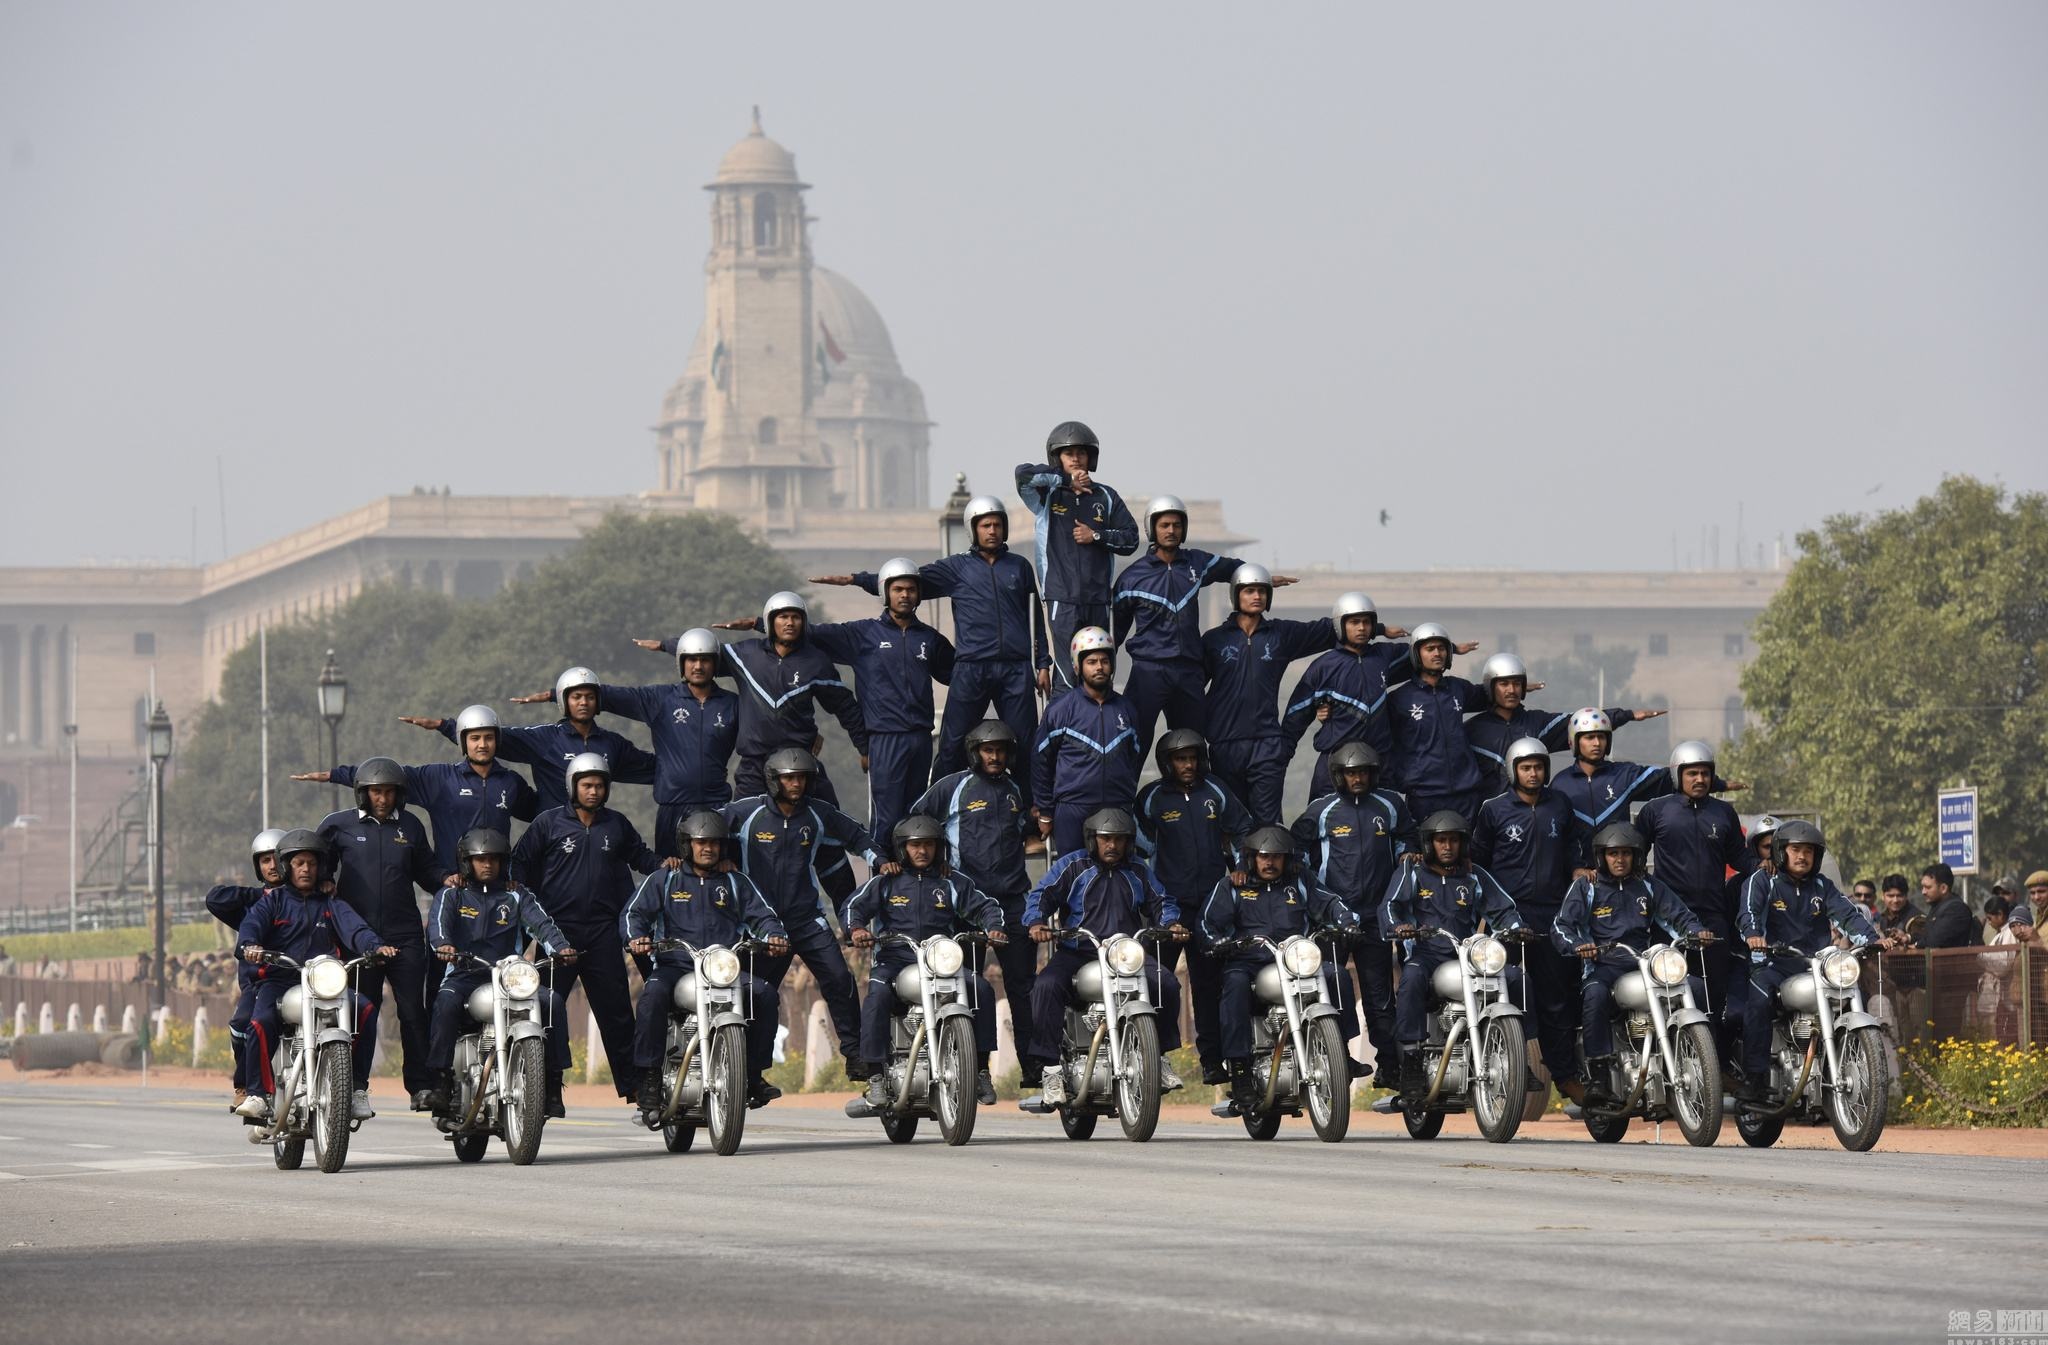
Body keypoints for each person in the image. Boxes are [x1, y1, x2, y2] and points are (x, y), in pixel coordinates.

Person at [811, 494, 1049, 811]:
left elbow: (1034, 618)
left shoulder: (1019, 568)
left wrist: (1043, 662)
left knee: (1023, 744)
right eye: (985, 525)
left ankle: (1029, 816)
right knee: (952, 745)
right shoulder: (957, 569)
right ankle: (933, 815)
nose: (992, 531)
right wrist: (859, 580)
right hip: (971, 668)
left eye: (996, 525)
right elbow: (906, 582)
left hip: (1016, 669)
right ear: (973, 530)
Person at [509, 752, 670, 1106]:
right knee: (546, 1010)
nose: (594, 791)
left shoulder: (617, 824)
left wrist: (664, 865)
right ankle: (549, 1086)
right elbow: (519, 863)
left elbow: (641, 856)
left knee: (617, 1014)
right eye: (587, 785)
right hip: (556, 935)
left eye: (599, 785)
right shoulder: (547, 824)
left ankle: (636, 1088)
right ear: (573, 786)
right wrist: (518, 896)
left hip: (603, 933)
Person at [721, 746, 887, 1080]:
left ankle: (855, 1056)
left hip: (807, 920)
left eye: (801, 778)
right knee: (758, 997)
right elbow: (702, 828)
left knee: (841, 979)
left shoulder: (817, 814)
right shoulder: (745, 812)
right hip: (761, 925)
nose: (796, 784)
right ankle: (751, 1077)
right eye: (789, 778)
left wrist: (880, 861)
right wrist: (709, 859)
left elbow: (856, 836)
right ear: (773, 780)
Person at [512, 632, 741, 859]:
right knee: (671, 877)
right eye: (691, 659)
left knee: (720, 875)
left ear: (716, 663)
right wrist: (557, 694)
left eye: (705, 660)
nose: (698, 666)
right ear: (681, 663)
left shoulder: (733, 704)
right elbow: (611, 695)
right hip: (673, 807)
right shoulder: (661, 699)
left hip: (717, 805)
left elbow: (757, 742)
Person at [623, 811, 790, 1112]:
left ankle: (753, 1074)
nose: (708, 848)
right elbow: (633, 914)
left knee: (765, 995)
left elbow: (763, 916)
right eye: (701, 842)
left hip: (722, 968)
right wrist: (636, 937)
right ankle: (648, 1076)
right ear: (687, 845)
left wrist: (774, 937)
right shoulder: (665, 879)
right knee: (653, 995)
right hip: (676, 966)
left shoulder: (735, 881)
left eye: (714, 842)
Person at [639, 591, 867, 810]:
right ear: (770, 622)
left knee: (829, 818)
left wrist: (864, 749)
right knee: (741, 826)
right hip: (754, 764)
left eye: (796, 617)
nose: (790, 623)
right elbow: (704, 651)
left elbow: (845, 707)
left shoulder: (817, 662)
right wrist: (664, 645)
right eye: (783, 617)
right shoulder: (746, 654)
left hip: (799, 760)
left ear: (804, 622)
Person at [1020, 808, 1190, 1099]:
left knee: (1167, 983)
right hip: (1079, 950)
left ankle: (1158, 1057)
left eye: (1119, 840)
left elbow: (1161, 900)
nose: (1112, 845)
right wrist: (1036, 922)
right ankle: (1050, 1070)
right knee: (1045, 986)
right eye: (1105, 839)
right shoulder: (1072, 866)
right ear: (1092, 840)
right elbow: (1042, 894)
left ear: (1128, 842)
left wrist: (1171, 923)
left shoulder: (1138, 870)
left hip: (1125, 954)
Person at [315, 756, 451, 1117]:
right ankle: (356, 1087)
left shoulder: (410, 825)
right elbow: (315, 861)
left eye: (390, 792)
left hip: (405, 934)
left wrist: (447, 879)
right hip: (358, 937)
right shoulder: (337, 825)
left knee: (413, 1013)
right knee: (363, 1012)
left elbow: (427, 870)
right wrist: (325, 879)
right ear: (362, 793)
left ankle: (421, 1086)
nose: (383, 798)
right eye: (376, 791)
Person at [233, 829, 397, 1119]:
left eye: (311, 863)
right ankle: (258, 1094)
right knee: (260, 1022)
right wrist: (250, 945)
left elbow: (355, 929)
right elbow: (252, 926)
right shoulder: (272, 902)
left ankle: (357, 1089)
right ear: (287, 867)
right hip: (280, 980)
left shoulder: (331, 904)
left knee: (366, 1010)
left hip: (323, 982)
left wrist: (376, 946)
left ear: (320, 867)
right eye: (298, 864)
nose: (306, 869)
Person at [845, 814, 1007, 1107]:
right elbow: (854, 907)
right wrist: (856, 929)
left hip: (939, 960)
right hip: (895, 959)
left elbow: (985, 906)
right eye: (915, 845)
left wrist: (993, 927)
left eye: (929, 845)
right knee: (877, 993)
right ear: (902, 848)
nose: (922, 851)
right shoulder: (886, 882)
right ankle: (874, 1075)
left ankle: (980, 1069)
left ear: (939, 847)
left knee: (981, 989)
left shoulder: (951, 881)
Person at [909, 719, 1038, 1084]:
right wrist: (937, 864)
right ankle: (977, 1070)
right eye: (988, 750)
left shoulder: (1016, 790)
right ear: (975, 753)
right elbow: (914, 824)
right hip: (968, 905)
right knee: (970, 986)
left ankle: (1034, 1069)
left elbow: (1029, 832)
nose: (994, 756)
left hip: (1013, 901)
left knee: (1023, 987)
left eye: (1000, 750)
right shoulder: (953, 787)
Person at [1112, 495, 1290, 757]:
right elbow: (1114, 633)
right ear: (1152, 529)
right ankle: (1126, 798)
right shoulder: (1131, 578)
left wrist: (1261, 577)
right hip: (1148, 672)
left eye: (1176, 525)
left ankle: (1199, 798)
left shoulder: (1196, 563)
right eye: (1164, 525)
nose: (1171, 531)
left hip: (1188, 672)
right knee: (1133, 743)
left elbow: (1232, 568)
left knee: (1194, 745)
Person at [1200, 825, 1359, 1114]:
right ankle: (1239, 1070)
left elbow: (1330, 902)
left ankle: (1342, 1051)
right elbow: (1207, 922)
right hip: (1249, 960)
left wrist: (1346, 920)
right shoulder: (1233, 886)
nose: (1270, 863)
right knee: (1234, 985)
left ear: (1287, 859)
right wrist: (1217, 941)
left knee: (1338, 975)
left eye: (1276, 857)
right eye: (1263, 857)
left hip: (1296, 958)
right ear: (1251, 858)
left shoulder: (1300, 881)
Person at [423, 828, 577, 1118]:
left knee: (552, 1001)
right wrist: (443, 945)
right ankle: (441, 1082)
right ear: (466, 862)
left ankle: (554, 1084)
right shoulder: (451, 894)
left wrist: (561, 947)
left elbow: (541, 924)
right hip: (465, 972)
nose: (487, 865)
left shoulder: (516, 894)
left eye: (494, 859)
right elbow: (438, 926)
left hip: (510, 976)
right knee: (445, 1003)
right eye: (480, 859)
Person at [1470, 736, 1593, 1098]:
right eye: (1526, 767)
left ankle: (1565, 1075)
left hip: (1552, 916)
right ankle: (1516, 1066)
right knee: (1509, 991)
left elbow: (1574, 847)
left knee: (1556, 999)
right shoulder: (1493, 809)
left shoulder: (1561, 805)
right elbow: (1478, 863)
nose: (1534, 773)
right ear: (1513, 771)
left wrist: (1577, 869)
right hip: (1508, 915)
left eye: (1539, 766)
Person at [1552, 822, 1708, 1106]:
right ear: (1602, 857)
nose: (1620, 859)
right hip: (1603, 965)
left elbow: (1679, 915)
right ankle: (1598, 1074)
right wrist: (1578, 946)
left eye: (1626, 853)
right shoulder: (1587, 886)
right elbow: (1561, 926)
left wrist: (1696, 932)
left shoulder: (1648, 886)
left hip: (1644, 963)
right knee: (1595, 995)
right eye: (1613, 854)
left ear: (1636, 856)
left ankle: (1695, 1058)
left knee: (1694, 986)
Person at [804, 558, 957, 846]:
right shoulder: (862, 634)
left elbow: (961, 674)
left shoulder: (930, 639)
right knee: (887, 819)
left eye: (911, 589)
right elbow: (809, 633)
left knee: (917, 816)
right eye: (898, 589)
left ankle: (913, 883)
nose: (905, 595)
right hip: (884, 740)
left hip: (922, 738)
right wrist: (766, 622)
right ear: (885, 593)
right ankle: (882, 879)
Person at [1134, 728, 1252, 1083]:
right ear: (1167, 762)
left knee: (1208, 986)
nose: (1188, 765)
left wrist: (1241, 866)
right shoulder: (1151, 798)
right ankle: (1156, 1059)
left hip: (1210, 908)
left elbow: (1242, 829)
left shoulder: (1215, 791)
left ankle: (1212, 1061)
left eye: (1193, 758)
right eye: (1180, 759)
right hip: (1167, 908)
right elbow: (1137, 846)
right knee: (1158, 982)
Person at [1291, 741, 1411, 1087]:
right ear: (1338, 776)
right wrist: (1313, 889)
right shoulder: (1322, 808)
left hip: (1375, 916)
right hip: (1332, 918)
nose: (1357, 778)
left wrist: (1406, 855)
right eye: (1350, 773)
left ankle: (1390, 1066)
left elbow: (1407, 838)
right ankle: (1338, 1058)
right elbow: (1296, 848)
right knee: (1331, 988)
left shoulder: (1390, 804)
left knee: (1380, 997)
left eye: (1362, 772)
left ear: (1373, 774)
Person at [1379, 810, 1524, 1093]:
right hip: (1426, 953)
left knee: (1516, 977)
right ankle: (1410, 1058)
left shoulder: (1474, 875)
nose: (1447, 847)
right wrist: (1398, 927)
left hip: (1469, 956)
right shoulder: (1412, 872)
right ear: (1428, 844)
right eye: (1441, 840)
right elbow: (1389, 906)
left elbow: (1504, 909)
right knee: (1410, 978)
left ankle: (1519, 1055)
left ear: (1463, 844)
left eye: (1454, 841)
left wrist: (1517, 927)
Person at [297, 707, 539, 873]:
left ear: (497, 740)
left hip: (497, 884)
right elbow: (385, 774)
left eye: (488, 737)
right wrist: (335, 775)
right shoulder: (440, 778)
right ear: (463, 741)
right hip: (453, 884)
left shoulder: (511, 782)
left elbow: (541, 814)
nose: (482, 744)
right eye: (475, 738)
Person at [1735, 820, 1877, 1102]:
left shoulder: (1823, 886)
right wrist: (1753, 936)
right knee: (1759, 1001)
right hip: (1772, 964)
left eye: (1809, 851)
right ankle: (1756, 1078)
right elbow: (1747, 913)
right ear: (1780, 852)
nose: (1802, 856)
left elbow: (1847, 915)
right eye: (1795, 849)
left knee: (1852, 993)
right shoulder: (1761, 881)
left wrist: (1871, 939)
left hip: (1817, 965)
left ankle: (1843, 1066)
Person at [1636, 741, 1755, 1068]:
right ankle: (1665, 1063)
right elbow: (1633, 855)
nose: (1699, 779)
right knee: (1666, 989)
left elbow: (1739, 857)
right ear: (1677, 774)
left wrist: (1765, 866)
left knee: (1714, 994)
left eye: (1705, 773)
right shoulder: (1655, 810)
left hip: (1712, 918)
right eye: (1692, 773)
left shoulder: (1724, 812)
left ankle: (1713, 1067)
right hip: (1666, 919)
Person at [403, 671, 658, 814]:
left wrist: (694, 763)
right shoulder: (545, 738)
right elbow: (494, 739)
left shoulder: (613, 745)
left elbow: (655, 768)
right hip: (550, 835)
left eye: (590, 697)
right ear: (564, 701)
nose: (583, 703)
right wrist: (446, 726)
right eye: (576, 697)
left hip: (594, 830)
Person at [1200, 563, 1336, 824]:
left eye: (1262, 591)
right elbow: (1191, 689)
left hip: (1267, 746)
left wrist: (1377, 628)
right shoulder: (1214, 640)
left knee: (1268, 825)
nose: (1257, 596)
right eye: (1249, 590)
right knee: (1232, 825)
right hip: (1224, 746)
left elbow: (1330, 630)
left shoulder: (1281, 635)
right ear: (1236, 595)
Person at [1014, 421, 1138, 692]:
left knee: (1097, 672)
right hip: (1062, 599)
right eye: (1068, 453)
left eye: (1081, 452)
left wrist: (1096, 535)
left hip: (1098, 599)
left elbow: (1131, 539)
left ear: (1090, 457)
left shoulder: (1106, 496)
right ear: (1056, 457)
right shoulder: (1046, 494)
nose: (1075, 458)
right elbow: (1022, 475)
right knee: (1067, 675)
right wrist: (1065, 479)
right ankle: (1062, 730)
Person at [1281, 592, 1428, 799]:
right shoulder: (1323, 667)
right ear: (1341, 626)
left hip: (1379, 764)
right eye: (1354, 622)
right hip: (1335, 765)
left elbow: (1424, 653)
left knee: (1386, 822)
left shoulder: (1384, 655)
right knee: (1321, 822)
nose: (1361, 628)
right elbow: (1296, 714)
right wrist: (1280, 757)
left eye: (1367, 622)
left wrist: (1451, 648)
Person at [1033, 627, 1143, 856]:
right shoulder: (1060, 710)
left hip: (1117, 807)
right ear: (1078, 666)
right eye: (1091, 661)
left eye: (1104, 660)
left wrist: (1124, 798)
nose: (1099, 667)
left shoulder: (1127, 709)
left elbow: (1134, 758)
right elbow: (1041, 761)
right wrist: (1045, 811)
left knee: (1118, 879)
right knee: (1073, 876)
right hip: (1072, 809)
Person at [1460, 652, 1656, 777]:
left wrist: (1625, 715)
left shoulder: (1537, 722)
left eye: (1517, 683)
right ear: (1490, 687)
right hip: (1488, 820)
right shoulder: (1472, 731)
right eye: (1504, 684)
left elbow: (1580, 721)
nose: (1511, 690)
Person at [1549, 707, 1741, 835]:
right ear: (1574, 742)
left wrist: (1718, 783)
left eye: (1602, 737)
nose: (1597, 743)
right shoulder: (1560, 784)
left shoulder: (1623, 775)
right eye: (1589, 737)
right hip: (1575, 875)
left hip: (1617, 872)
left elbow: (1669, 778)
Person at [207, 827, 286, 1113]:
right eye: (265, 861)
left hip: (304, 979)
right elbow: (215, 899)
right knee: (243, 1025)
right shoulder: (254, 904)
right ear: (257, 867)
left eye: (278, 858)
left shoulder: (309, 898)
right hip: (259, 983)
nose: (273, 865)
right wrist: (260, 894)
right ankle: (244, 1085)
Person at [1382, 624, 1492, 825]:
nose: (1437, 653)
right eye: (1430, 649)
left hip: (1466, 793)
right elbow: (1380, 739)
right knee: (1426, 855)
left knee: (1471, 854)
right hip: (1424, 796)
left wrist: (1517, 685)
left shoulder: (1458, 688)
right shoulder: (1399, 699)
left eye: (1441, 648)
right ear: (1416, 654)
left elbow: (1491, 696)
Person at [1918, 863, 1981, 949]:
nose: (1923, 892)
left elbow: (1934, 941)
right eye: (1923, 887)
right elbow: (1926, 935)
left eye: (1928, 887)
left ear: (1943, 888)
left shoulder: (1956, 910)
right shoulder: (1937, 907)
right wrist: (1907, 937)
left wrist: (1915, 944)